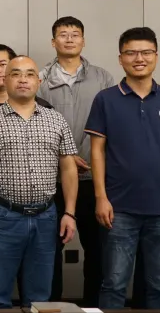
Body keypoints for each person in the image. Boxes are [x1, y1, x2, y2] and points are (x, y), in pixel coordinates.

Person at [88, 27, 160, 310]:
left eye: (146, 52)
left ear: (156, 56)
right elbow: (96, 151)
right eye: (131, 53)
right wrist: (101, 197)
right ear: (120, 58)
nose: (139, 58)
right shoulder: (105, 99)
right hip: (118, 209)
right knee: (113, 285)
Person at [0, 56, 79, 310]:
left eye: (29, 74)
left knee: (39, 298)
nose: (23, 80)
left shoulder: (56, 119)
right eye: (16, 74)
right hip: (2, 217)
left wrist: (70, 213)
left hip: (46, 217)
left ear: (38, 81)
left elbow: (68, 168)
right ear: (6, 80)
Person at [36, 16, 115, 305]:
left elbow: (112, 124)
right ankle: (52, 307)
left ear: (83, 40)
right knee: (49, 251)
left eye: (75, 34)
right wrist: (65, 157)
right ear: (53, 41)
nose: (69, 39)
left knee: (98, 251)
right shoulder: (40, 79)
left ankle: (93, 306)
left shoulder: (103, 78)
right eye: (63, 34)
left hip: (95, 179)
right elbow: (34, 125)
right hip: (52, 180)